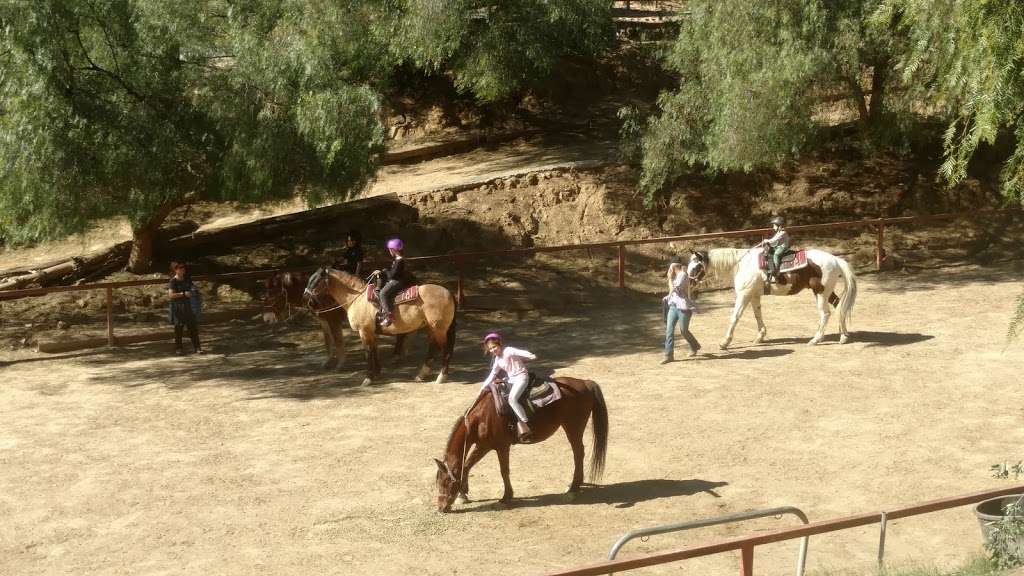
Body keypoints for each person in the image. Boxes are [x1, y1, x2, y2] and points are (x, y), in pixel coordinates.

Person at [479, 333, 537, 442]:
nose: (493, 350)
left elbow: (520, 352)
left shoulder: (508, 351)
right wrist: (482, 387)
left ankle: (525, 423)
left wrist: (530, 355)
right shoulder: (497, 360)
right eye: (490, 348)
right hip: (511, 380)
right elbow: (492, 375)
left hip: (521, 377)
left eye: (494, 347)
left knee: (512, 399)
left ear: (500, 344)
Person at [661, 256, 701, 364]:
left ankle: (694, 345)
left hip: (683, 307)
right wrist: (668, 296)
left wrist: (669, 278)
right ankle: (668, 355)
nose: (669, 268)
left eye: (670, 266)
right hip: (673, 306)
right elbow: (672, 291)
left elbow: (676, 289)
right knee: (669, 330)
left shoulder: (683, 275)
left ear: (674, 266)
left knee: (684, 331)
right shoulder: (675, 276)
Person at [375, 238, 414, 327]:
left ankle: (389, 316)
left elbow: (392, 276)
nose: (389, 251)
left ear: (394, 249)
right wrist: (381, 272)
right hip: (397, 279)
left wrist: (385, 271)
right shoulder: (397, 259)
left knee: (382, 294)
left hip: (397, 281)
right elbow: (392, 272)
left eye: (390, 249)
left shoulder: (399, 260)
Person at [167, 261, 203, 355]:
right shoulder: (173, 281)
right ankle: (178, 348)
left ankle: (197, 347)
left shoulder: (187, 278)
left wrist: (194, 291)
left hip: (189, 306)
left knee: (193, 327)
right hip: (178, 307)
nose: (183, 269)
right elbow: (171, 295)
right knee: (178, 328)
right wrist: (182, 294)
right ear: (176, 270)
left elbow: (192, 287)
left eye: (184, 267)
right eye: (181, 268)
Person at [760, 216, 791, 283]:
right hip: (779, 246)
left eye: (774, 225)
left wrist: (767, 240)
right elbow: (774, 240)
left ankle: (776, 271)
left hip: (783, 247)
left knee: (776, 255)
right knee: (770, 251)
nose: (773, 227)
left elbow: (774, 239)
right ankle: (770, 267)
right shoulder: (779, 232)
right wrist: (768, 242)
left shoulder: (783, 233)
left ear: (779, 226)